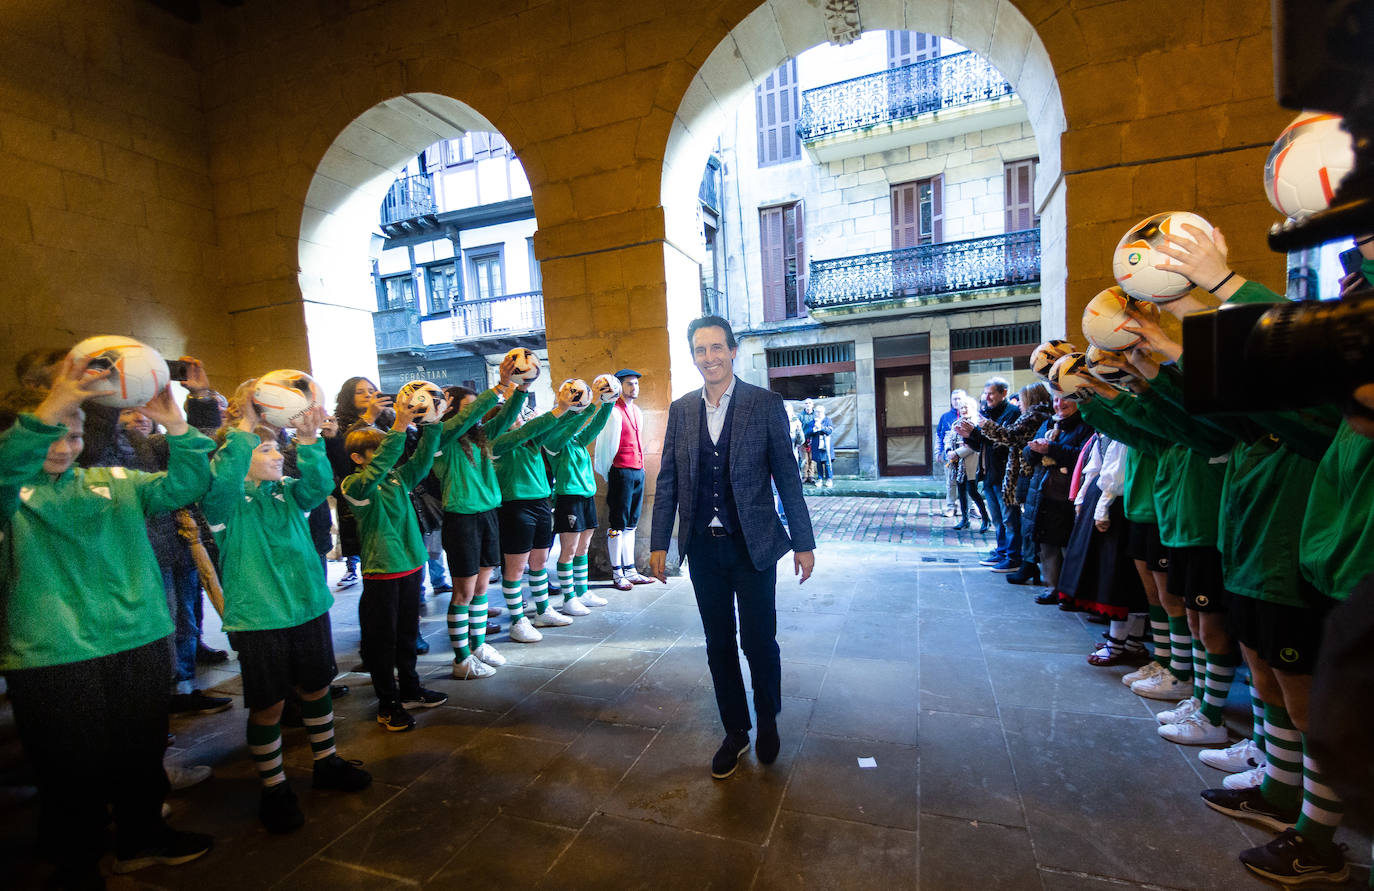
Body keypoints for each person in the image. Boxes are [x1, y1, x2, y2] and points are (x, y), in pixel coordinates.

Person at [1, 359, 216, 884]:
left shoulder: (114, 480)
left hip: (138, 638)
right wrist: (56, 403)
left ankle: (142, 839)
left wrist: (179, 424)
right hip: (53, 654)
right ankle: (77, 863)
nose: (63, 444)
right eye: (50, 433)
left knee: (140, 753)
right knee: (69, 772)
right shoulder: (11, 495)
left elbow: (185, 484)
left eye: (73, 434)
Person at [650, 315, 815, 780]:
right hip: (704, 548)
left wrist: (802, 542)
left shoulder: (764, 404)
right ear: (693, 356)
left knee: (759, 642)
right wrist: (659, 542)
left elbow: (787, 476)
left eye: (717, 348)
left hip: (754, 545)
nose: (710, 358)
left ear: (732, 350)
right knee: (718, 643)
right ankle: (736, 731)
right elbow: (668, 483)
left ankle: (767, 721)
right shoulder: (682, 410)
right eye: (701, 350)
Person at [203, 399, 371, 835]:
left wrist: (310, 438)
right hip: (259, 618)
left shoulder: (287, 492)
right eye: (267, 450)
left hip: (307, 607)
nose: (279, 455)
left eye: (278, 447)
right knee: (269, 705)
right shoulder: (223, 503)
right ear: (238, 458)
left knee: (316, 688)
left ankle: (326, 763)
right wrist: (246, 426)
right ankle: (274, 787)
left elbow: (318, 485)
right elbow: (223, 478)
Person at [340, 398, 448, 731]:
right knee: (381, 641)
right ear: (359, 459)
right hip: (382, 571)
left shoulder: (397, 478)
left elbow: (424, 457)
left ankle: (411, 689)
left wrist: (432, 423)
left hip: (411, 566)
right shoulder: (355, 486)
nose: (388, 455)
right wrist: (398, 426)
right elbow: (379, 466)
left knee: (407, 634)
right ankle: (387, 704)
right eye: (378, 451)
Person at [431, 361, 526, 678]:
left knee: (483, 587)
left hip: (487, 515)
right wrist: (498, 387)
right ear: (452, 411)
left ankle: (478, 645)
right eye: (468, 409)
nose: (475, 414)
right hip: (462, 520)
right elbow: (466, 419)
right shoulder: (441, 437)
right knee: (463, 592)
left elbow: (508, 418)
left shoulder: (480, 437)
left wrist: (519, 389)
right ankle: (461, 659)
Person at [492, 390, 584, 649]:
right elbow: (526, 430)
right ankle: (518, 619)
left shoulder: (532, 442)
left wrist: (584, 408)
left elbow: (561, 426)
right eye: (516, 415)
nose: (522, 418)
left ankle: (543, 611)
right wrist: (560, 407)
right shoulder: (498, 443)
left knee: (540, 561)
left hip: (541, 504)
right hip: (514, 507)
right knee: (516, 568)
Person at [548, 386, 617, 615]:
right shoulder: (553, 441)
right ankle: (568, 598)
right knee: (569, 549)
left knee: (583, 547)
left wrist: (608, 403)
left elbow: (596, 425)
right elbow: (572, 426)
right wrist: (582, 408)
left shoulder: (577, 441)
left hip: (585, 495)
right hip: (569, 498)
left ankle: (582, 591)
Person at [593, 368, 654, 590]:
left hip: (638, 471)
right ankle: (617, 573)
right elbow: (605, 445)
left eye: (636, 383)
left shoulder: (637, 411)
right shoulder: (613, 411)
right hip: (621, 471)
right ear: (619, 388)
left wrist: (642, 468)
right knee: (617, 524)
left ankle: (631, 569)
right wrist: (611, 472)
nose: (634, 387)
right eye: (629, 383)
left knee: (631, 524)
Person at [957, 377, 1021, 571]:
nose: (987, 397)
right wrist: (969, 435)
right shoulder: (987, 413)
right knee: (998, 519)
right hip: (989, 473)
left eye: (991, 393)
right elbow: (982, 445)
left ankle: (1013, 556)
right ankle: (1002, 551)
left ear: (1003, 393)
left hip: (1004, 475)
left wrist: (976, 432)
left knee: (1010, 518)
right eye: (985, 393)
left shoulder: (1012, 413)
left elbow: (1001, 443)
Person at [936, 390, 966, 517]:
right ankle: (950, 506)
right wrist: (938, 452)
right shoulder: (945, 417)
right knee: (950, 482)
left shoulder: (970, 414)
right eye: (954, 399)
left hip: (966, 455)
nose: (957, 401)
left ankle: (970, 507)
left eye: (959, 398)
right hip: (949, 455)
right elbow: (939, 435)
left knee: (969, 482)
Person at [807, 404, 835, 488]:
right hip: (817, 446)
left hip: (826, 446)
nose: (818, 414)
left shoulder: (828, 420)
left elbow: (830, 431)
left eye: (820, 412)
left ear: (823, 412)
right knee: (818, 463)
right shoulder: (812, 422)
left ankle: (829, 479)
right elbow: (808, 433)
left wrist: (821, 427)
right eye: (817, 412)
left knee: (827, 463)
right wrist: (814, 430)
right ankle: (820, 479)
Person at [797, 397, 816, 484]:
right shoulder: (800, 416)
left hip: (813, 440)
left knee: (812, 459)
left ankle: (811, 476)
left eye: (809, 403)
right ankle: (805, 476)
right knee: (804, 459)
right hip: (803, 440)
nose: (808, 405)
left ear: (812, 405)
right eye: (806, 403)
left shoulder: (816, 415)